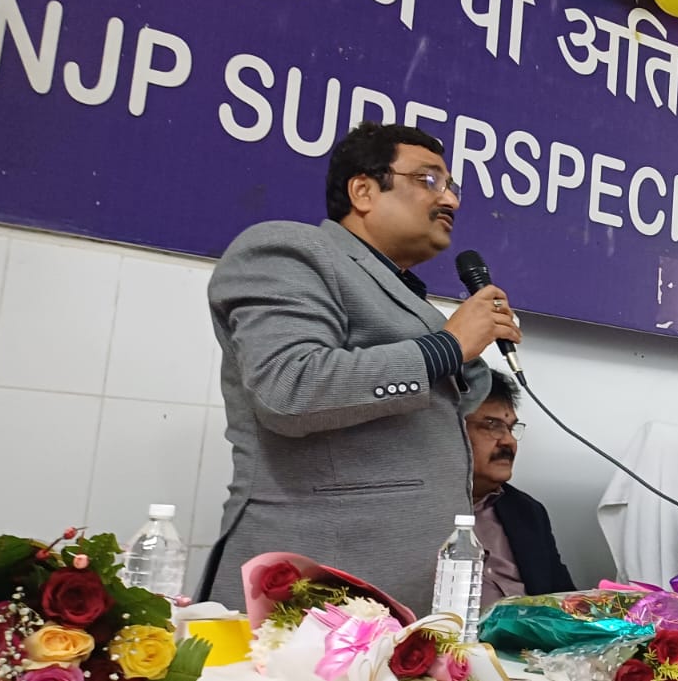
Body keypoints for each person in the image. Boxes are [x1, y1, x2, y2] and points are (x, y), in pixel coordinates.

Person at [198, 122, 520, 613]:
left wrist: (466, 351)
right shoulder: (289, 250)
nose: (451, 200)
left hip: (395, 604)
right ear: (363, 191)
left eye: (453, 186)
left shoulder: (404, 294)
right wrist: (450, 345)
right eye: (429, 180)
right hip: (308, 595)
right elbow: (290, 388)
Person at [467, 370, 575, 600]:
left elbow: (564, 601)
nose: (509, 441)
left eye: (510, 428)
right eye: (492, 425)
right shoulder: (411, 511)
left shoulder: (527, 511)